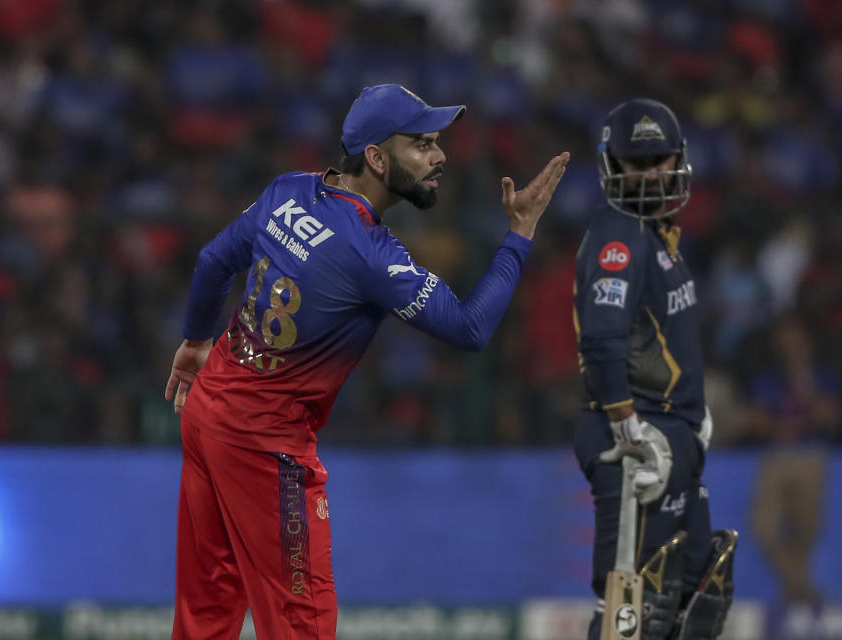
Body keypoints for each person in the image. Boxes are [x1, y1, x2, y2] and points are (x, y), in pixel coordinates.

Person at [163, 83, 569, 640]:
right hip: (266, 448)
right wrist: (520, 234)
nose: (440, 157)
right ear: (377, 158)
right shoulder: (369, 253)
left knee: (206, 612)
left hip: (208, 412)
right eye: (422, 145)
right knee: (301, 623)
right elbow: (472, 328)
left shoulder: (288, 189)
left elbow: (213, 262)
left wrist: (194, 343)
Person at [572, 98, 736, 640]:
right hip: (637, 438)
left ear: (679, 159)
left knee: (692, 600)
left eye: (659, 161)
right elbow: (601, 335)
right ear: (612, 164)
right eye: (635, 163)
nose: (648, 174)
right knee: (634, 600)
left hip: (672, 431)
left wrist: (694, 412)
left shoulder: (658, 234)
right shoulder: (620, 234)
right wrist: (624, 420)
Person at [746, 314, 842, 607]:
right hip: (776, 458)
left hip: (810, 457)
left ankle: (796, 595)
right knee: (764, 528)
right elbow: (754, 418)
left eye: (795, 338)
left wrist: (803, 382)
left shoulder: (822, 375)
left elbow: (831, 415)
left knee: (805, 530)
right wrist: (777, 427)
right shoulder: (767, 378)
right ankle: (804, 591)